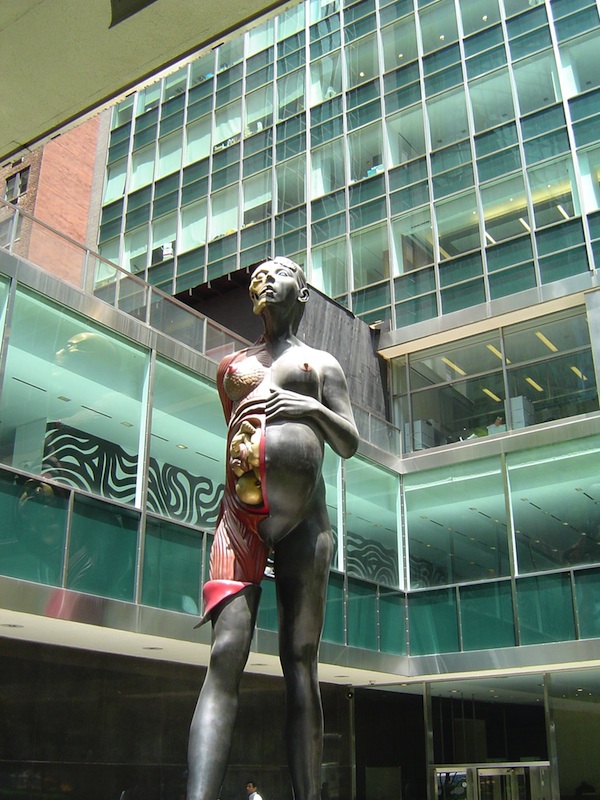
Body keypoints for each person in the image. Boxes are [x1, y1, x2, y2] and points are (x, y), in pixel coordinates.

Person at [187, 258, 359, 800]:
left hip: (306, 521)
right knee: (224, 652)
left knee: (299, 660)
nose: (262, 280)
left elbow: (349, 441)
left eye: (277, 272)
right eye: (256, 275)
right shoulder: (233, 366)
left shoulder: (320, 364)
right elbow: (239, 433)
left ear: (302, 291)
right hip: (240, 518)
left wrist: (307, 407)